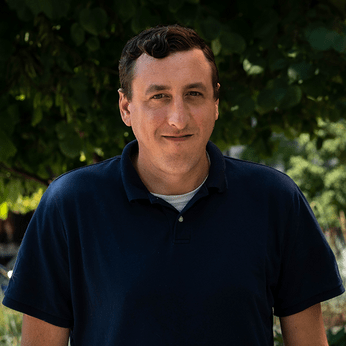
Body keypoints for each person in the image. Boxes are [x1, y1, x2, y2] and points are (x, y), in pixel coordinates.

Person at [2, 24, 345, 346]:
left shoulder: (275, 199)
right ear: (126, 107)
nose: (178, 118)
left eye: (194, 93)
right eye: (159, 97)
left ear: (216, 103)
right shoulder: (69, 205)